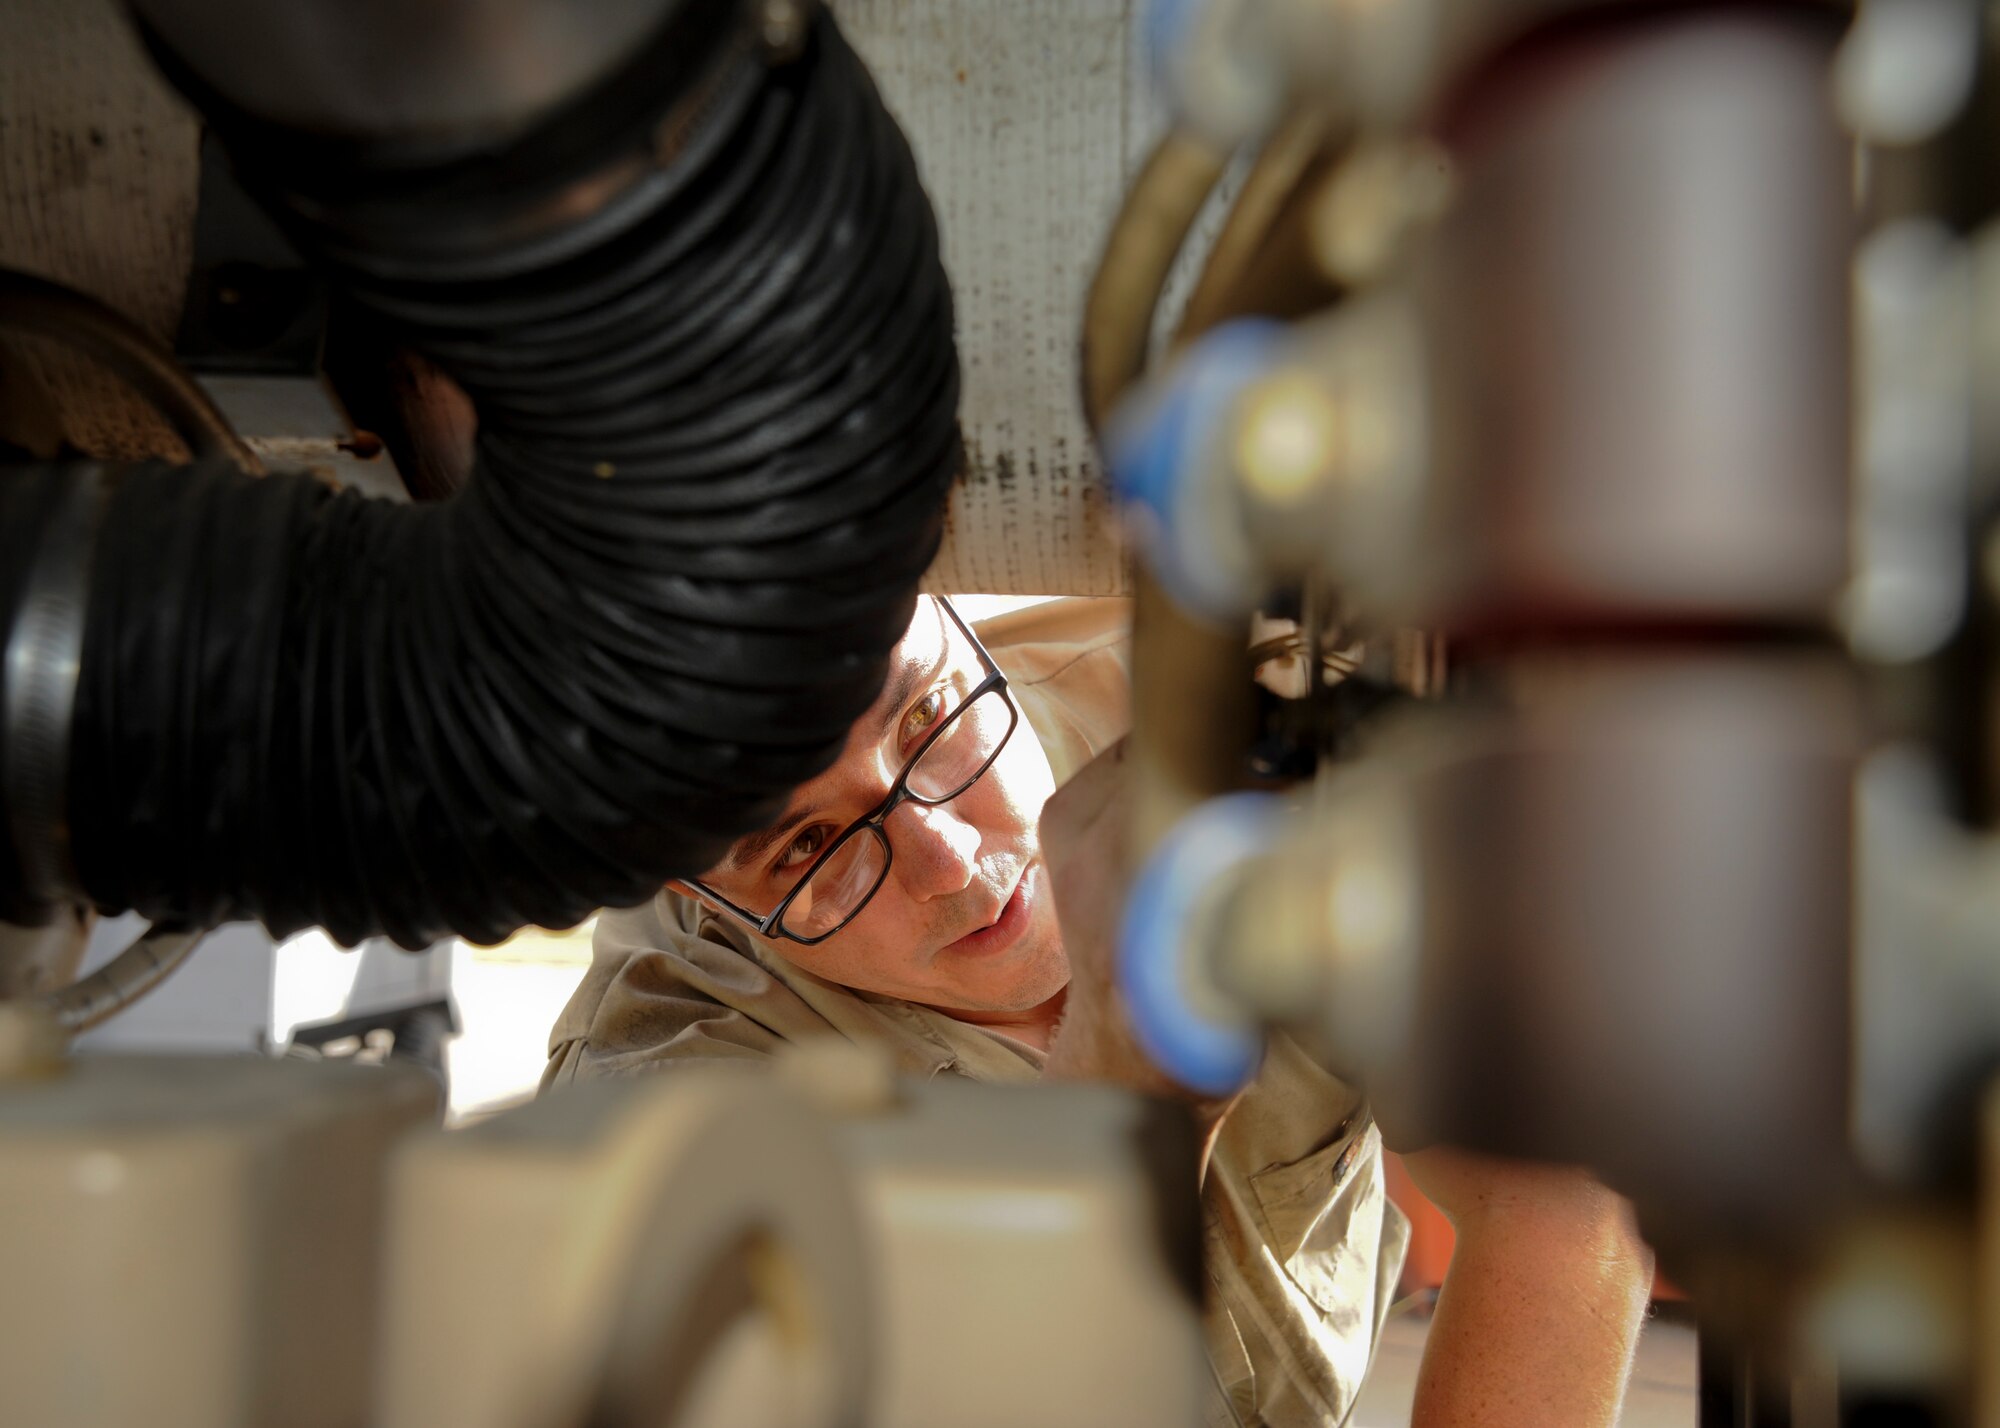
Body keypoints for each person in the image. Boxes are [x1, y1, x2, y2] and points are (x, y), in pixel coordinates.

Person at [544, 595, 1655, 1427]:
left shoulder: (1263, 713)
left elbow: (1568, 1199)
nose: (947, 858)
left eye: (929, 714)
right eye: (804, 846)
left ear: (959, 631)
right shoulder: (652, 1129)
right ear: (697, 897)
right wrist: (1123, 1108)